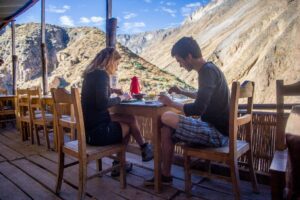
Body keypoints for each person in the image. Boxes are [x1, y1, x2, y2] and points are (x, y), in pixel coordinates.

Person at [144, 37, 230, 185]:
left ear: (189, 56)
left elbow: (198, 108)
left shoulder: (206, 72)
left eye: (180, 61)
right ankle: (165, 176)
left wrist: (170, 102)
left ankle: (152, 150)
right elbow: (203, 95)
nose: (180, 65)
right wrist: (182, 91)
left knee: (166, 116)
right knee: (166, 130)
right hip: (213, 128)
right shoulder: (209, 69)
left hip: (217, 133)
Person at [81, 47, 153, 176]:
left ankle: (143, 148)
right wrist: (122, 97)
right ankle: (120, 164)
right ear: (111, 61)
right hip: (98, 134)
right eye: (117, 63)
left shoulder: (91, 74)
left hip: (89, 131)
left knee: (130, 119)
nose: (117, 67)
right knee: (128, 127)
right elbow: (102, 103)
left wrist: (113, 91)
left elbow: (96, 95)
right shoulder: (102, 75)